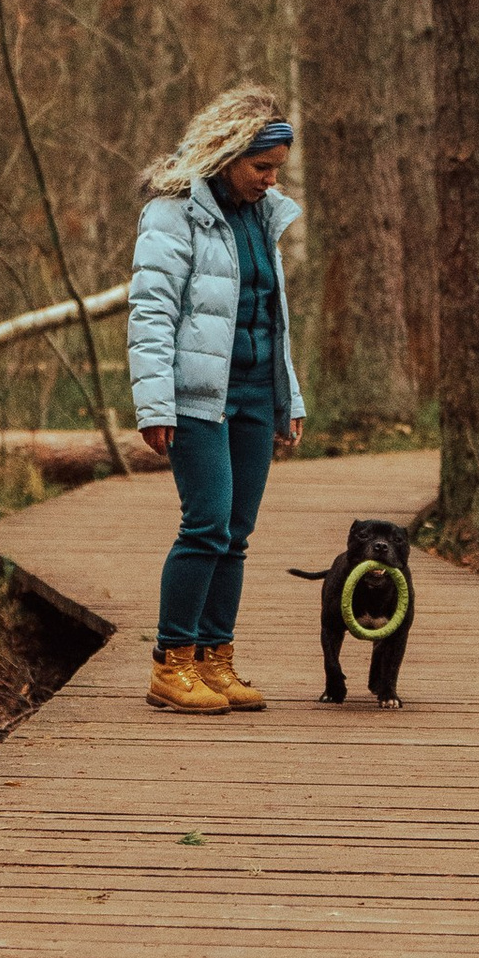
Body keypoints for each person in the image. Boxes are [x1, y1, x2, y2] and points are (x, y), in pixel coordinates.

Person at [126, 83, 304, 716]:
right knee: (206, 523)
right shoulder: (173, 213)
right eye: (261, 167)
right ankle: (170, 664)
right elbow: (151, 313)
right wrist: (154, 406)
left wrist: (288, 397)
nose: (271, 180)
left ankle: (213, 659)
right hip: (197, 397)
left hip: (254, 391)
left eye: (277, 169)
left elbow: (271, 314)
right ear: (227, 156)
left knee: (236, 533)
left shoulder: (262, 213)